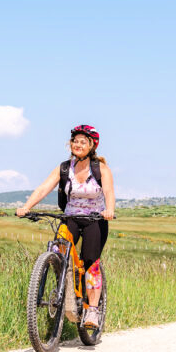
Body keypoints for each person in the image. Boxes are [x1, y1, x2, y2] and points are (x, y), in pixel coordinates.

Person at [16, 124, 115, 329]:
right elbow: (44, 187)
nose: (77, 145)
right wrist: (26, 207)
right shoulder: (63, 168)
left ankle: (93, 312)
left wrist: (109, 210)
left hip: (94, 220)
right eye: (74, 141)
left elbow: (109, 192)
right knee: (57, 249)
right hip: (70, 217)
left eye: (82, 142)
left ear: (91, 146)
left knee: (91, 262)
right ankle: (65, 288)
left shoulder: (100, 169)